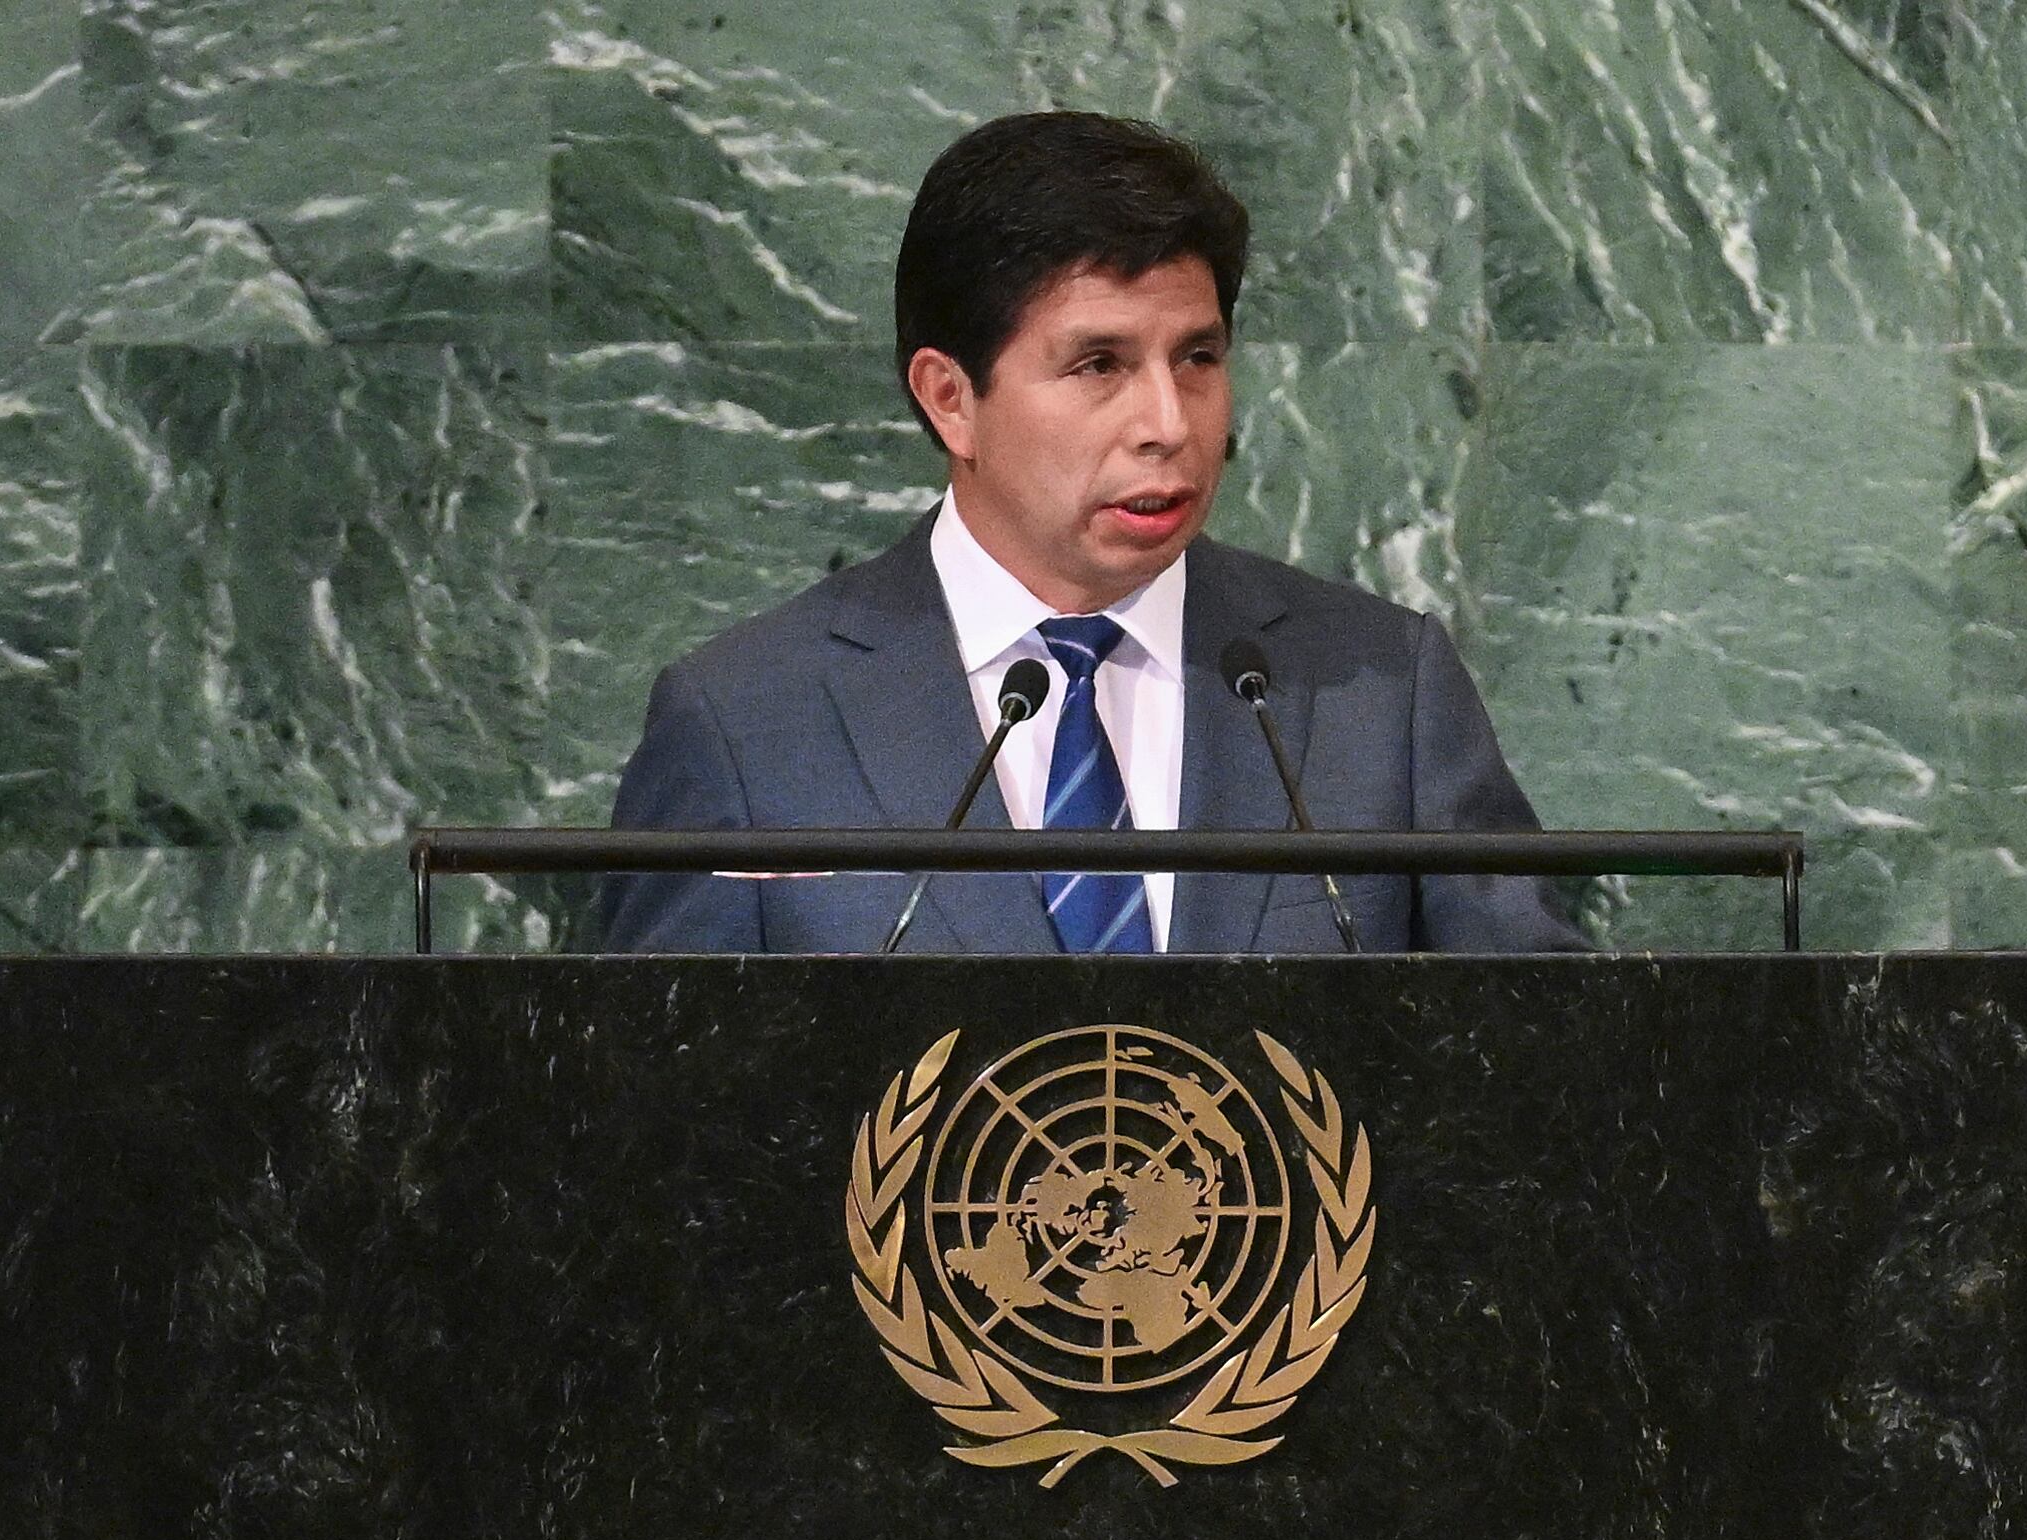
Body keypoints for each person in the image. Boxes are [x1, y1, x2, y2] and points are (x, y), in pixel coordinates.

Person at [602, 111, 1583, 954]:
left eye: (1197, 356)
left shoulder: (1384, 690)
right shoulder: (745, 724)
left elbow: (1554, 1070)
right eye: (1100, 364)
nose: (1169, 420)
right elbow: (658, 1118)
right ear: (952, 399)